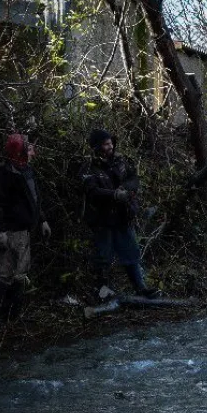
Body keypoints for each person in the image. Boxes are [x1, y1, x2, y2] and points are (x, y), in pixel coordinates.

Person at [0, 133, 51, 326]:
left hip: (25, 230)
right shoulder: (4, 175)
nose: (32, 150)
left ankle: (12, 315)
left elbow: (34, 199)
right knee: (3, 271)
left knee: (20, 272)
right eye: (28, 148)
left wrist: (42, 220)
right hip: (10, 231)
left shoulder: (26, 171)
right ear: (20, 152)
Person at [80, 129, 158, 300]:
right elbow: (91, 191)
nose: (110, 146)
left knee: (131, 253)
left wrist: (126, 189)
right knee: (103, 257)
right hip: (102, 219)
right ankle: (102, 292)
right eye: (106, 144)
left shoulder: (121, 160)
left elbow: (134, 179)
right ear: (97, 147)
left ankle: (141, 288)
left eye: (111, 143)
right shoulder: (89, 167)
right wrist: (114, 194)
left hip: (123, 216)